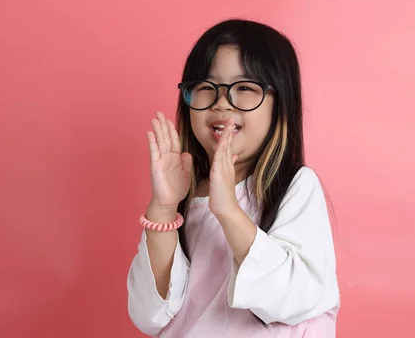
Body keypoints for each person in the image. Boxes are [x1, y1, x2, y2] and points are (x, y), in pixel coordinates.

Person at [126, 19, 340, 337]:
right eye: (206, 88)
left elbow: (299, 297)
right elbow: (149, 314)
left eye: (244, 88)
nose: (222, 102)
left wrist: (228, 210)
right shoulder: (184, 192)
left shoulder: (295, 186)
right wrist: (164, 208)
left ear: (279, 105)